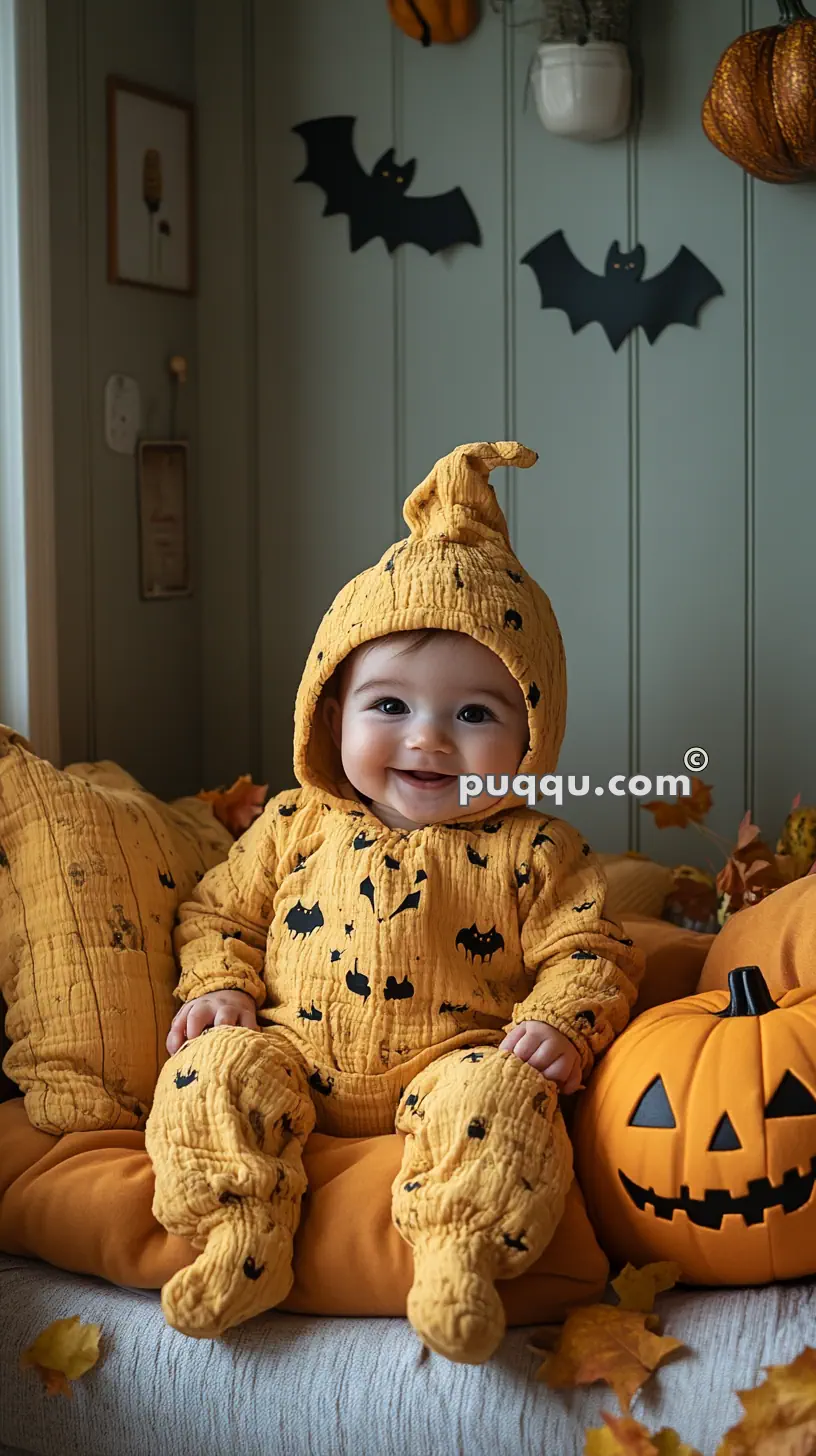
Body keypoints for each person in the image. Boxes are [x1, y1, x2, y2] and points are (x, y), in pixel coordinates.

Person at [145, 440, 643, 1363]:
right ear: (332, 714)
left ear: (533, 733)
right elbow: (219, 912)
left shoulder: (535, 849)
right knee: (208, 1071)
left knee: (506, 1094)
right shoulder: (297, 825)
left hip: (451, 1063)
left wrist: (560, 1026)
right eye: (389, 707)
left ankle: (459, 1254)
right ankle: (240, 1233)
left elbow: (592, 951)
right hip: (291, 1051)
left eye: (474, 715)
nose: (429, 741)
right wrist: (218, 989)